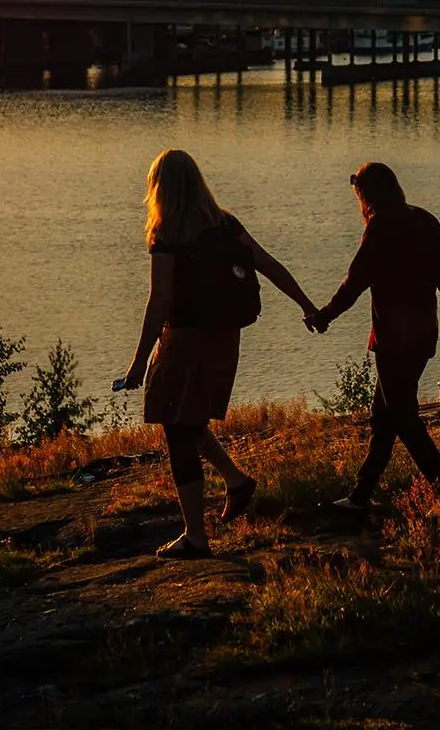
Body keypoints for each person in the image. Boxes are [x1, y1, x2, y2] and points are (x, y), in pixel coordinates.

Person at [121, 149, 320, 558]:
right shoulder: (225, 224)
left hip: (185, 340)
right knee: (188, 419)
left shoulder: (168, 233)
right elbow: (267, 263)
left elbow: (158, 303)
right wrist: (306, 304)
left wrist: (139, 360)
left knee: (177, 427)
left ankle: (196, 536)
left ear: (159, 188)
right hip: (225, 338)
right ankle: (235, 481)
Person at [311, 161, 440, 515]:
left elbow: (353, 283)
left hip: (393, 339)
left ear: (366, 195)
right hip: (423, 336)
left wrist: (324, 316)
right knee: (384, 417)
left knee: (403, 419)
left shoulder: (380, 227)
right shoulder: (426, 221)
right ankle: (359, 497)